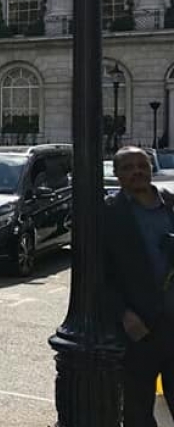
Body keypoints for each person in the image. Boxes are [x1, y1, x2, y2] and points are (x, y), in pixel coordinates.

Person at [103, 147, 174, 426]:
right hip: (140, 328)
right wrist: (123, 314)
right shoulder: (109, 214)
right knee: (137, 410)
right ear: (117, 175)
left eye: (142, 165)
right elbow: (100, 273)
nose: (137, 172)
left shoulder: (170, 204)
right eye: (128, 167)